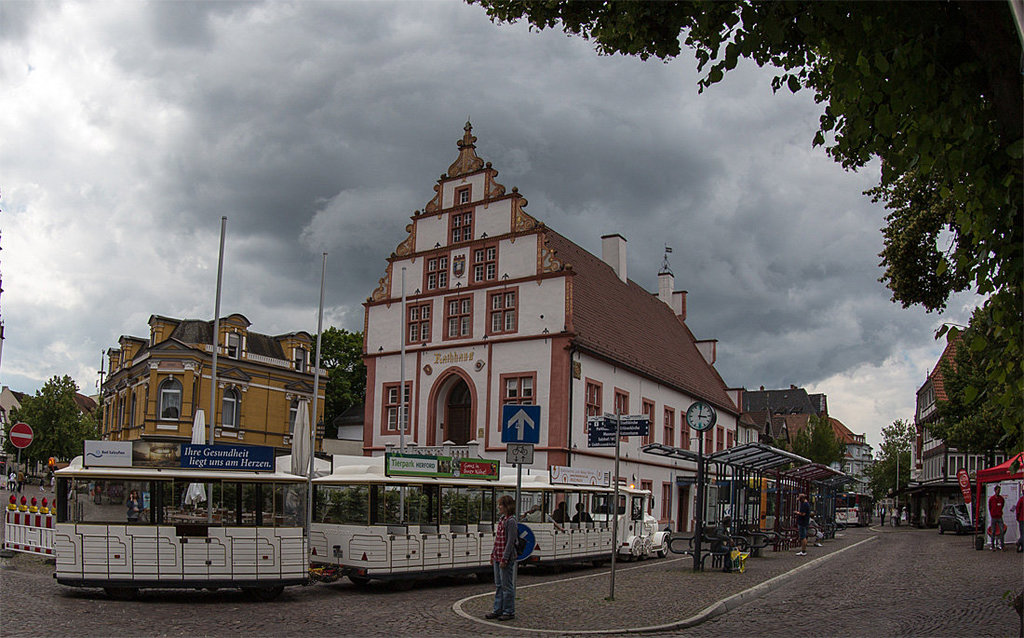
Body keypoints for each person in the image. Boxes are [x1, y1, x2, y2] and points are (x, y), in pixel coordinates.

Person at [486, 495, 517, 622]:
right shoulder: (502, 519)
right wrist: (493, 554)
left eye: (501, 505)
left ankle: (508, 611)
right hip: (497, 556)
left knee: (506, 585)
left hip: (505, 558)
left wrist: (505, 558)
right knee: (499, 585)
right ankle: (497, 609)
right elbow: (498, 540)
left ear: (506, 506)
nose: (499, 507)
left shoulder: (511, 521)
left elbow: (510, 541)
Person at [988, 485, 1006, 551]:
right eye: (998, 490)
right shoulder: (992, 499)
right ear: (995, 491)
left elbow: (1002, 505)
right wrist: (992, 513)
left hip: (999, 516)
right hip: (994, 517)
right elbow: (990, 507)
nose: (998, 492)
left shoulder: (1001, 499)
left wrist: (999, 511)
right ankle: (992, 545)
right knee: (993, 531)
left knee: (1001, 531)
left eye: (999, 491)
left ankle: (1002, 545)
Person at [1011, 488, 1024, 553]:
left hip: (1021, 519)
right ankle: (1020, 543)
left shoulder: (1021, 500)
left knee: (1022, 533)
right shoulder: (1021, 500)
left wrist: (1017, 517)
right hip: (1022, 519)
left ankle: (1021, 545)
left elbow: (1018, 510)